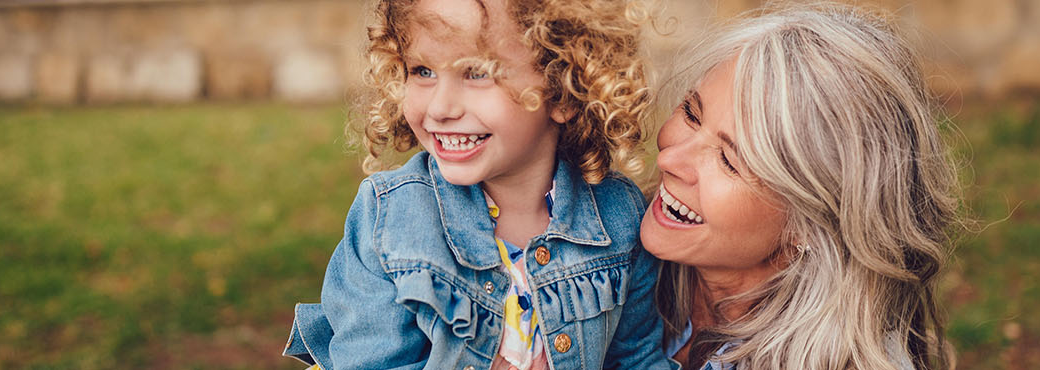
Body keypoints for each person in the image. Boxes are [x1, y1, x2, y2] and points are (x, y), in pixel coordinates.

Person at [282, 0, 675, 369]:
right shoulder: (390, 221)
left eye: (477, 72)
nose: (440, 107)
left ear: (565, 91)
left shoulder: (618, 217)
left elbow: (638, 357)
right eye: (422, 71)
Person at [639, 3, 962, 370]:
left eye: (730, 160)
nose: (669, 159)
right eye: (692, 114)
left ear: (809, 224)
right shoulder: (603, 254)